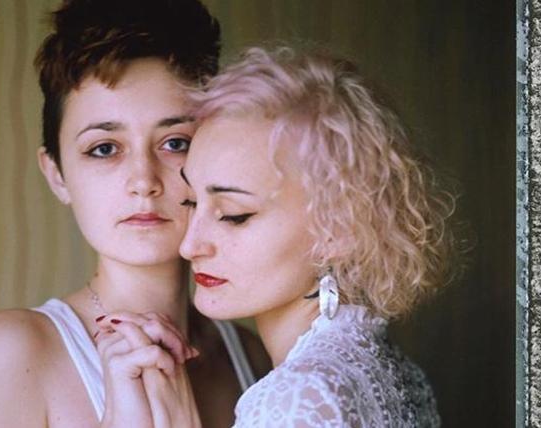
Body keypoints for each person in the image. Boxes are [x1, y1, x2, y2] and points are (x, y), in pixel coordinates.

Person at [0, 1, 270, 427]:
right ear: (57, 174)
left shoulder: (248, 353)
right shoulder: (17, 353)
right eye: (104, 149)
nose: (143, 180)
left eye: (175, 143)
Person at [97, 46, 459, 426]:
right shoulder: (397, 373)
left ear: (339, 229)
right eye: (191, 201)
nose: (189, 246)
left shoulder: (295, 400)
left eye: (234, 216)